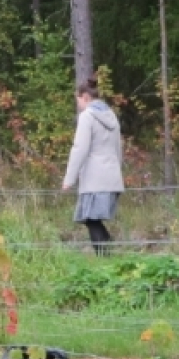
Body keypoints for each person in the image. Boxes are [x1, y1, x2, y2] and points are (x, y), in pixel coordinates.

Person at [61, 77, 125, 256]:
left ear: (85, 97)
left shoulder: (87, 116)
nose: (79, 104)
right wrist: (117, 173)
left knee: (90, 219)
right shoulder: (111, 115)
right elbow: (118, 149)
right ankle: (108, 256)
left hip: (94, 179)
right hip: (111, 177)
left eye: (78, 100)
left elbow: (79, 149)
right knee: (92, 219)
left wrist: (69, 179)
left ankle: (106, 259)